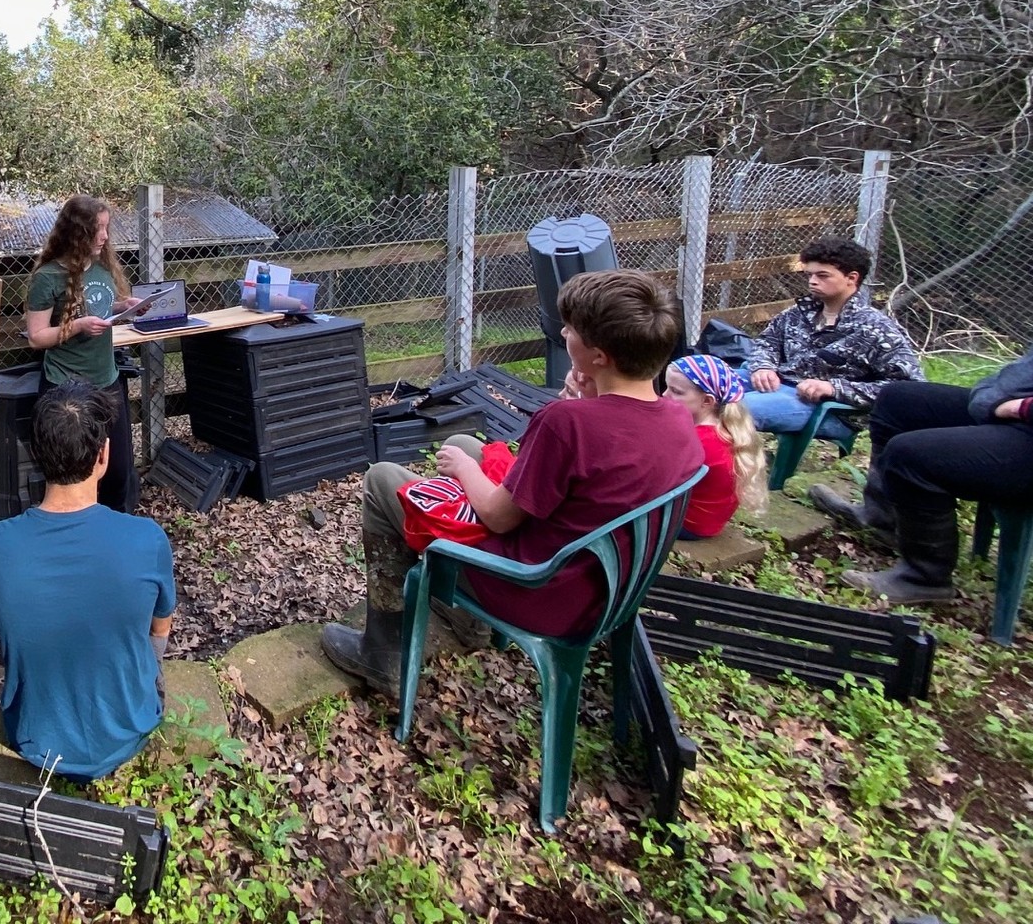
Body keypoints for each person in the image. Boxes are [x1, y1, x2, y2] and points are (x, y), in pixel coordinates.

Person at [320, 270, 704, 697]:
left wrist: (466, 470)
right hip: (604, 584)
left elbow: (500, 519)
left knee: (382, 479)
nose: (563, 332)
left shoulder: (566, 424)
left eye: (572, 329)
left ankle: (381, 653)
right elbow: (610, 446)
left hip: (536, 588)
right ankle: (469, 622)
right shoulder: (676, 417)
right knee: (466, 440)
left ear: (599, 356)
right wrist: (589, 401)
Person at [0, 380, 176, 779]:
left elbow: (0, 624)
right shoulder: (147, 537)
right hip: (131, 727)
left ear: (35, 453)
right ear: (103, 456)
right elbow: (161, 624)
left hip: (35, 739)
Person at [819, 348, 1033, 605]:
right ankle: (881, 518)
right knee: (897, 400)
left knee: (910, 455)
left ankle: (924, 578)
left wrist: (1020, 407)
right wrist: (993, 398)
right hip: (1013, 411)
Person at [740, 236, 923, 441]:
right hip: (781, 383)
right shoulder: (798, 313)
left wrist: (835, 388)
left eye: (823, 275)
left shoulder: (875, 328)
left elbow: (910, 390)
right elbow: (767, 342)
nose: (812, 281)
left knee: (733, 411)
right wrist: (763, 366)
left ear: (851, 278)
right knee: (700, 388)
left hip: (830, 410)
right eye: (809, 274)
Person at [26, 194, 140, 512]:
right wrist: (77, 326)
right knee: (73, 474)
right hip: (66, 388)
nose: (105, 236)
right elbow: (36, 337)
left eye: (106, 228)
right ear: (77, 233)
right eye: (98, 229)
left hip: (107, 380)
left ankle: (115, 529)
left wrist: (125, 309)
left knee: (118, 471)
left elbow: (99, 310)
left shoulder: (101, 267)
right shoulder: (47, 276)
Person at [663, 354, 768, 538]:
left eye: (676, 391)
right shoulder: (728, 429)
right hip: (709, 523)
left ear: (707, 401)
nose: (665, 395)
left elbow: (657, 481)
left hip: (685, 524)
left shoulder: (697, 440)